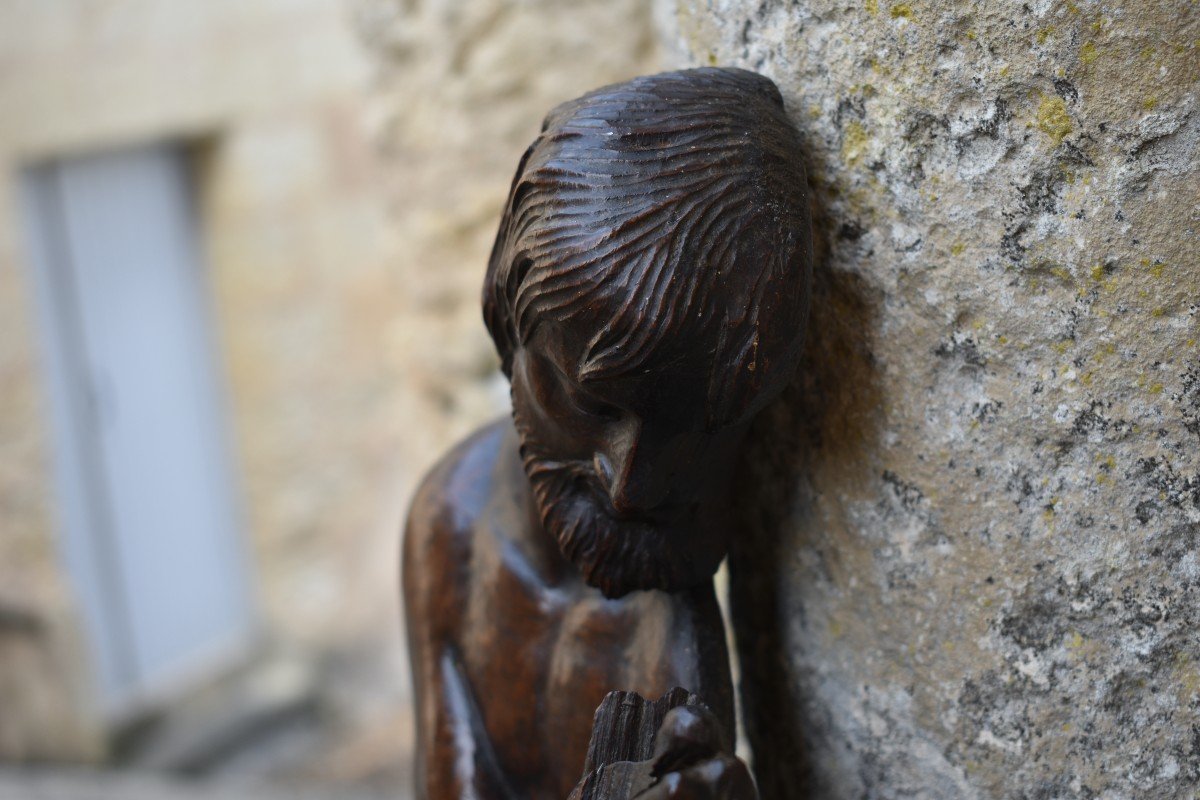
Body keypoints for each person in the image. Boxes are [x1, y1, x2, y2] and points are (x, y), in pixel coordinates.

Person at [403, 67, 812, 800]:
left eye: (700, 429)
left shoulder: (667, 615)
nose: (633, 488)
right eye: (588, 403)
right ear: (508, 328)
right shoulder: (451, 520)